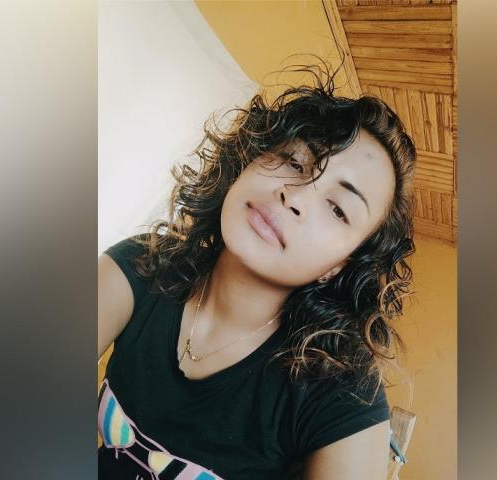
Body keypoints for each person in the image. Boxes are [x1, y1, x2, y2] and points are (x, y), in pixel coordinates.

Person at [98, 66, 416, 479]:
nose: (294, 195)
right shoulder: (143, 266)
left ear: (340, 265)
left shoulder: (342, 395)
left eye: (338, 209)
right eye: (294, 161)